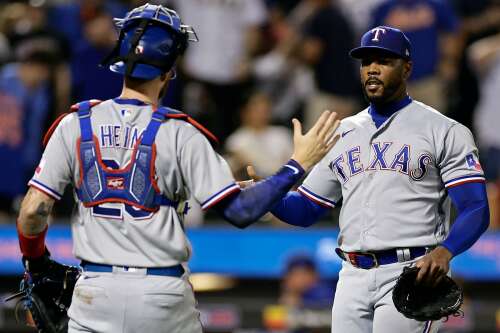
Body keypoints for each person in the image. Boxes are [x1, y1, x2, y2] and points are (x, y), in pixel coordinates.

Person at [15, 4, 340, 333]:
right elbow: (240, 213)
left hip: (95, 293)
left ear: (120, 60)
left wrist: (36, 263)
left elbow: (32, 211)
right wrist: (297, 165)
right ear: (170, 70)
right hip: (161, 295)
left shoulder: (74, 123)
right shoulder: (182, 133)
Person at [265, 26, 490, 332]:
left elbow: (476, 207)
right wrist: (265, 193)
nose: (372, 68)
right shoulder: (341, 133)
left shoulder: (444, 130)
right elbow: (306, 208)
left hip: (412, 272)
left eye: (384, 61)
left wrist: (445, 250)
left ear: (406, 67)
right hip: (351, 275)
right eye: (366, 61)